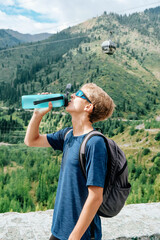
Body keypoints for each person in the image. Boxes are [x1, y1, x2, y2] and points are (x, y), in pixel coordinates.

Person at [24, 83, 116, 240]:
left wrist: (74, 237)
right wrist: (38, 114)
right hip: (59, 230)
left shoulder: (95, 143)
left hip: (81, 235)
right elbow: (31, 141)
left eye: (79, 93)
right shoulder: (67, 134)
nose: (72, 95)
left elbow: (96, 197)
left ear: (88, 107)